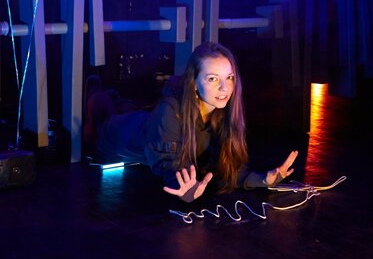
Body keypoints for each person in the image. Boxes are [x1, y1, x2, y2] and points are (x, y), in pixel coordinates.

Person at [84, 41, 298, 203]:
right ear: (194, 83)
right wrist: (184, 188)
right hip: (116, 135)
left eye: (229, 78)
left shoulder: (222, 112)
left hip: (147, 119)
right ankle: (97, 93)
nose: (224, 88)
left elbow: (228, 169)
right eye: (213, 79)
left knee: (129, 106)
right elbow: (169, 165)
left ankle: (114, 98)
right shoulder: (169, 112)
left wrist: (264, 179)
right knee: (101, 113)